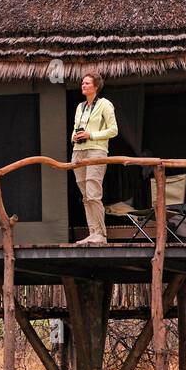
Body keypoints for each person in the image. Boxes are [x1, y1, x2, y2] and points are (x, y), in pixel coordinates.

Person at [71, 71, 117, 246]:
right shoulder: (80, 107)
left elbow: (113, 130)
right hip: (79, 151)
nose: (83, 85)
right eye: (82, 83)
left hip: (96, 150)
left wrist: (92, 135)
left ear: (96, 87)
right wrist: (74, 137)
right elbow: (76, 128)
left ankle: (100, 234)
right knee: (85, 196)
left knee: (93, 194)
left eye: (87, 83)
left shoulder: (105, 104)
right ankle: (92, 233)